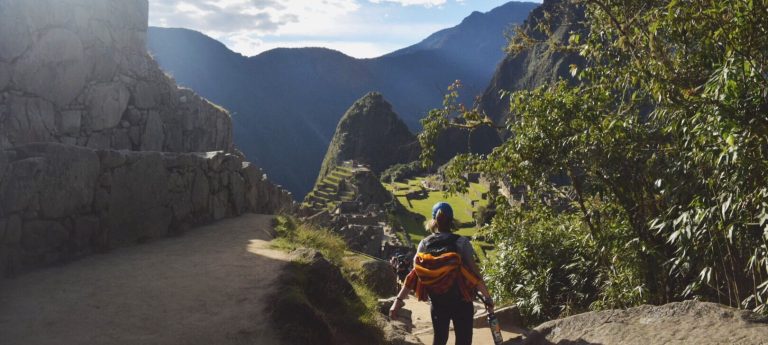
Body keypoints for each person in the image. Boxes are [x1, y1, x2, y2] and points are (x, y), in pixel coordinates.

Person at [389, 202, 494, 345]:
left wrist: (398, 301)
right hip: (462, 301)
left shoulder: (424, 244)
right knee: (463, 341)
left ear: (434, 222)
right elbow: (474, 274)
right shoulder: (461, 242)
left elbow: (414, 274)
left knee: (439, 340)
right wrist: (487, 298)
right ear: (452, 221)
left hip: (438, 302)